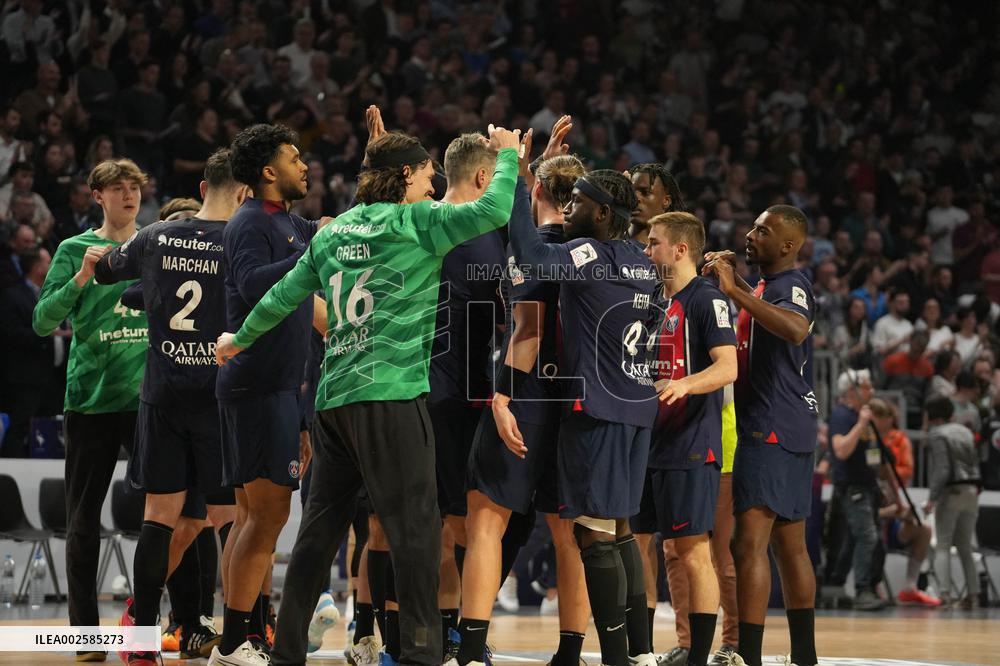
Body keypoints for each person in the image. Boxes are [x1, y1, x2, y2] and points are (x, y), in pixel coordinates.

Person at [217, 119, 522, 666]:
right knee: (415, 529)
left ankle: (286, 652)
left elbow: (283, 294)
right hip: (393, 398)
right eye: (428, 174)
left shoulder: (333, 231)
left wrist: (238, 338)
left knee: (317, 535)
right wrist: (508, 159)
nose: (432, 185)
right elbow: (494, 212)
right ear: (405, 175)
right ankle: (422, 654)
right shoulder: (417, 222)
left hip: (335, 401)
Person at [497, 151, 658, 666]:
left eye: (580, 202)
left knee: (593, 534)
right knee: (618, 527)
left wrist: (521, 186)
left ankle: (614, 656)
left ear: (605, 213)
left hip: (599, 407)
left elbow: (532, 255)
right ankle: (640, 650)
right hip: (636, 404)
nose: (569, 208)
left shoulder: (593, 252)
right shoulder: (642, 260)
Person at [93, 150, 247, 665]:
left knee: (159, 519)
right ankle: (246, 635)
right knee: (231, 518)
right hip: (218, 397)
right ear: (245, 192)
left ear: (203, 188)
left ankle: (141, 643)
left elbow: (109, 274)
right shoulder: (242, 240)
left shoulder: (156, 235)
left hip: (162, 395)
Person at [458, 123, 591, 666]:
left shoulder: (528, 250)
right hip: (577, 398)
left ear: (536, 191)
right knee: (568, 533)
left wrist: (502, 397)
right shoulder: (589, 249)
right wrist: (541, 171)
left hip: (529, 390)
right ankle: (570, 651)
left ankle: (467, 647)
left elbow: (529, 330)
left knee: (486, 518)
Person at [212, 124, 324, 665]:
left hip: (276, 389)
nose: (305, 166)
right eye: (294, 157)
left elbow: (325, 239)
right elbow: (258, 286)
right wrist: (314, 256)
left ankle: (238, 638)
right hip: (258, 386)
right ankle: (234, 643)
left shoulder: (288, 222)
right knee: (267, 518)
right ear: (267, 172)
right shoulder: (250, 221)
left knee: (250, 517)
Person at [32, 158, 150, 663]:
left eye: (134, 188)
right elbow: (42, 322)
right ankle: (85, 638)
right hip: (91, 401)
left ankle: (159, 624)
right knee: (83, 522)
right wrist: (82, 276)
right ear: (96, 196)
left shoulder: (156, 243)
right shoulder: (73, 249)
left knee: (171, 517)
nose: (128, 195)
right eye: (117, 189)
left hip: (149, 402)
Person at [702, 205, 819, 666]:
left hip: (770, 424)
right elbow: (775, 312)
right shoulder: (774, 287)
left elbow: (793, 327)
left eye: (763, 231)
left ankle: (745, 655)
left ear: (788, 245)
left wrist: (733, 291)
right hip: (791, 423)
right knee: (790, 545)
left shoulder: (793, 285)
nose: (750, 235)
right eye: (753, 226)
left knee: (746, 543)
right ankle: (804, 656)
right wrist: (740, 285)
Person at [643, 212, 738, 666]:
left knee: (693, 548)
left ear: (680, 249)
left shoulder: (707, 299)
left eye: (654, 243)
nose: (647, 251)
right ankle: (644, 649)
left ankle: (698, 656)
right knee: (639, 540)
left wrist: (687, 384)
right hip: (649, 441)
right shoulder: (653, 300)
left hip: (691, 442)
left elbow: (728, 366)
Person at [427, 131, 508, 659]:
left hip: (412, 383)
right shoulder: (486, 232)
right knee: (466, 521)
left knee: (418, 519)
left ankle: (413, 631)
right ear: (483, 178)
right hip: (468, 391)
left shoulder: (416, 218)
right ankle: (457, 630)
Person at [623, 161, 686, 661]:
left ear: (667, 201)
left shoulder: (679, 258)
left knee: (680, 544)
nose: (637, 197)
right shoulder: (615, 244)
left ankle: (695, 643)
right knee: (631, 534)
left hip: (675, 412)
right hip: (624, 404)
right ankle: (636, 644)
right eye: (631, 190)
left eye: (646, 191)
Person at [867, 399, 939, 607]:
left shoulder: (897, 441)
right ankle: (873, 584)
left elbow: (905, 471)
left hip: (890, 523)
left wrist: (901, 511)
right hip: (872, 522)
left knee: (924, 529)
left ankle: (910, 587)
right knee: (871, 532)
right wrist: (895, 510)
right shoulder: (867, 445)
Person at [826, 370, 886, 611]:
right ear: (853, 391)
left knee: (853, 539)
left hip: (867, 487)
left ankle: (836, 584)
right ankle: (862, 590)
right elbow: (840, 450)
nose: (871, 391)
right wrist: (861, 423)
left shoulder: (859, 415)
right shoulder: (842, 416)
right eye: (867, 387)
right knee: (866, 536)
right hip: (853, 488)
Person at [924, 397, 982, 609]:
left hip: (952, 491)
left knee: (943, 545)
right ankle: (973, 595)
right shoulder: (965, 431)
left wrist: (932, 498)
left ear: (932, 416)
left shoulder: (938, 434)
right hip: (972, 491)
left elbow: (942, 470)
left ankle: (945, 595)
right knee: (965, 546)